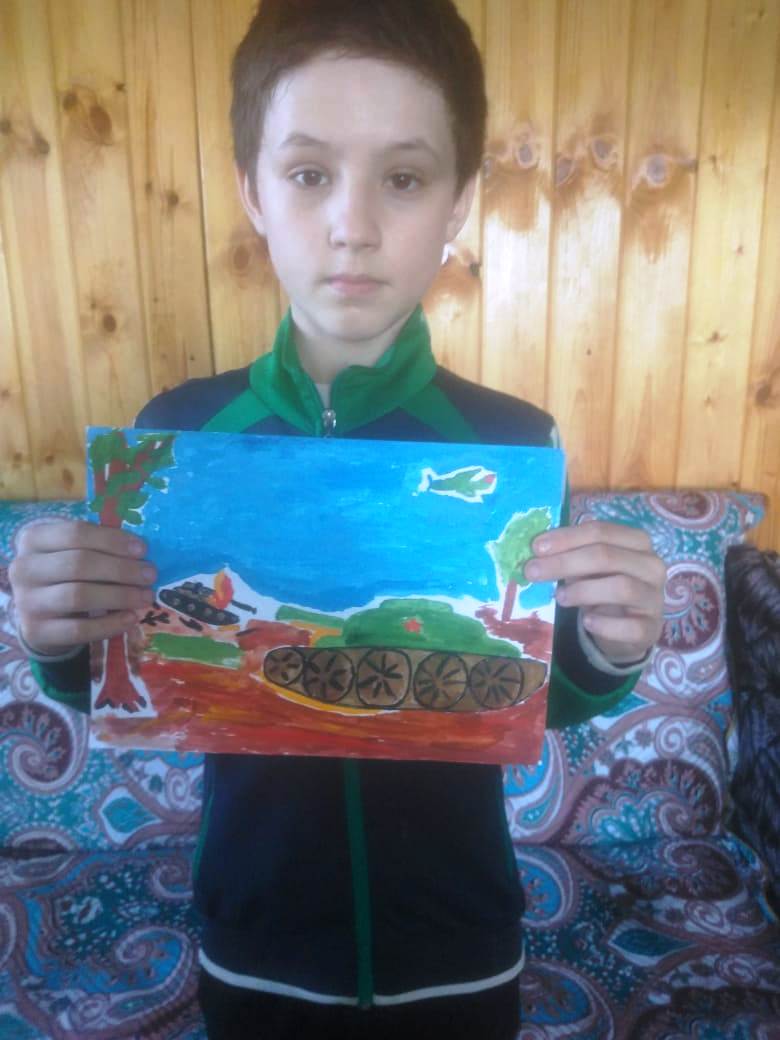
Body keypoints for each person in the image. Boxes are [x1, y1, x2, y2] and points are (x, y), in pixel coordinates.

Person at [8, 2, 667, 1037]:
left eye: (403, 178)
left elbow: (542, 692)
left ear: (458, 201)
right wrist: (54, 636)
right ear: (251, 190)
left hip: (460, 948)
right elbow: (119, 673)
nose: (352, 224)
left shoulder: (511, 445)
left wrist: (612, 649)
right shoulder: (175, 435)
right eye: (310, 172)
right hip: (253, 943)